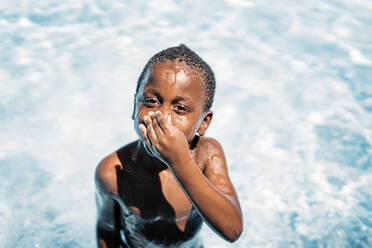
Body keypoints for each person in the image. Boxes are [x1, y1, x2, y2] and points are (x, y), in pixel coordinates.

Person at [95, 44, 243, 248]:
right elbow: (106, 231)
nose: (162, 116)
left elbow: (232, 229)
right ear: (134, 106)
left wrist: (178, 160)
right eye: (151, 101)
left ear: (204, 123)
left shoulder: (207, 155)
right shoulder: (112, 173)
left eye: (180, 108)